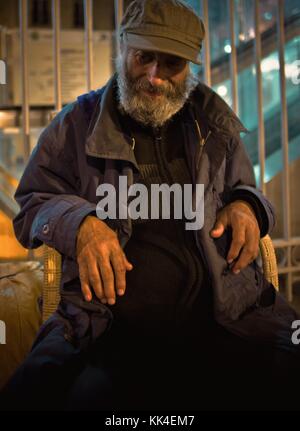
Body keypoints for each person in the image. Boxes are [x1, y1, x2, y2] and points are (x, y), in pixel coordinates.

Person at [1, 0, 300, 411]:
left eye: (172, 64)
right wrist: (81, 224)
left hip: (228, 318)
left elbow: (247, 189)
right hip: (106, 329)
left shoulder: (213, 124)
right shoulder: (74, 125)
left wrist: (248, 205)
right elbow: (32, 202)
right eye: (144, 58)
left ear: (189, 67)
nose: (155, 77)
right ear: (122, 46)